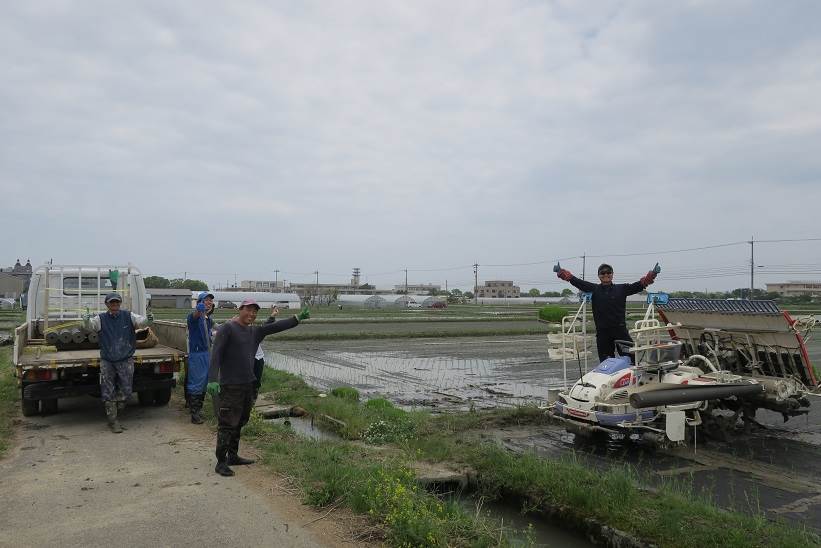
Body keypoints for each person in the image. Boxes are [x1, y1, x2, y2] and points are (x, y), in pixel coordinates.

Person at [210, 299, 310, 477]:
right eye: (248, 310)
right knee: (227, 423)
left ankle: (233, 456)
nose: (252, 314)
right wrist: (212, 379)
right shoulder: (228, 328)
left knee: (241, 420)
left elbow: (276, 327)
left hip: (247, 383)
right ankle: (220, 462)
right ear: (240, 309)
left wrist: (297, 318)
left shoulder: (254, 332)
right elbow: (216, 354)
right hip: (230, 385)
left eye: (255, 311)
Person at [555, 262, 660, 362]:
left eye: (608, 272)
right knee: (606, 362)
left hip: (620, 331)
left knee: (631, 359)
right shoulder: (594, 289)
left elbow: (640, 284)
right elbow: (576, 281)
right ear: (599, 276)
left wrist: (652, 274)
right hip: (603, 333)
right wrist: (562, 273)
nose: (606, 274)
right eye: (602, 273)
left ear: (612, 274)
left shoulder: (622, 288)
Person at [84, 292, 152, 433]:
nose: (114, 305)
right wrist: (85, 321)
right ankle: (113, 420)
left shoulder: (129, 316)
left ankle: (116, 408)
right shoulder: (100, 319)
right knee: (108, 391)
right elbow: (89, 327)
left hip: (125, 359)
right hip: (107, 361)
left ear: (120, 304)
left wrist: (149, 320)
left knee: (127, 391)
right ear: (107, 304)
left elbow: (141, 322)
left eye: (116, 302)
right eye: (111, 303)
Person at [186, 291, 215, 424]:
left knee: (204, 383)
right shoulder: (194, 317)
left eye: (210, 300)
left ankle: (199, 409)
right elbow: (195, 315)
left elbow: (215, 330)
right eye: (206, 300)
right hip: (197, 354)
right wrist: (199, 310)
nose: (209, 302)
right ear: (199, 303)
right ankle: (194, 414)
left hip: (207, 353)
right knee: (196, 383)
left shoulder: (208, 319)